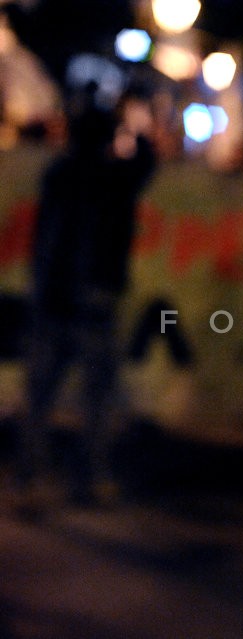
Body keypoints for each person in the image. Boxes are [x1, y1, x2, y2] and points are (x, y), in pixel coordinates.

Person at [12, 87, 156, 514]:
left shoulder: (60, 174)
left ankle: (30, 478)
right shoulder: (113, 178)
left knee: (41, 396)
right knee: (95, 397)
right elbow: (146, 159)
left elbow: (47, 241)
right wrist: (134, 120)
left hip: (55, 299)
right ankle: (88, 477)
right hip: (93, 299)